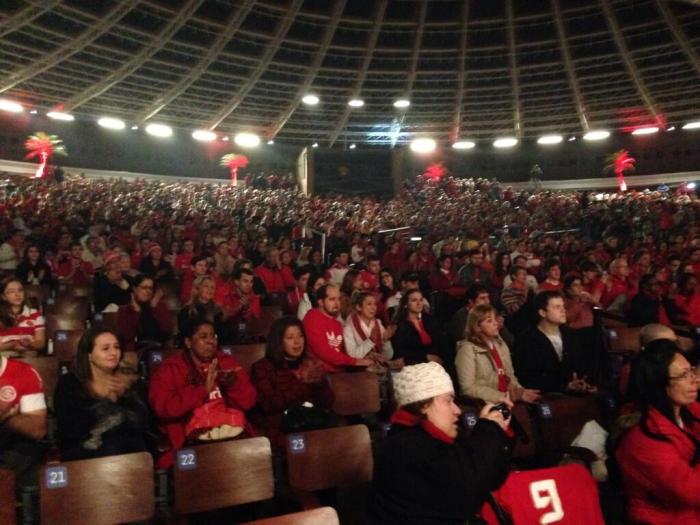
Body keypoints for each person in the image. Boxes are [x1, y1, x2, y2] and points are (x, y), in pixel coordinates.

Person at [365, 362, 512, 525]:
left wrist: (498, 431)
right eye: (448, 401)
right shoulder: (403, 447)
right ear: (423, 405)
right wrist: (489, 429)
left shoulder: (442, 439)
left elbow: (490, 479)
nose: (458, 410)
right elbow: (467, 492)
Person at [149, 320, 258, 468]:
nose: (210, 341)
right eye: (203, 336)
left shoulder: (227, 363)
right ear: (188, 342)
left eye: (213, 336)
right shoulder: (171, 369)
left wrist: (232, 385)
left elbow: (249, 402)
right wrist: (201, 390)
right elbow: (163, 408)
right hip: (192, 443)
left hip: (232, 435)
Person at [614, 340, 700, 523]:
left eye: (692, 370)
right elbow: (694, 492)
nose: (696, 379)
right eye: (684, 375)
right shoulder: (643, 440)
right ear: (659, 384)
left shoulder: (690, 411)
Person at [54, 327, 151, 460]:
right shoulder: (70, 384)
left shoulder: (130, 380)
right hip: (87, 457)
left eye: (116, 347)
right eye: (105, 349)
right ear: (89, 355)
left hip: (130, 455)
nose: (113, 353)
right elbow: (70, 431)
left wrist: (127, 396)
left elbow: (143, 424)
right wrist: (102, 399)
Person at [249, 317, 334, 449]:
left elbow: (328, 403)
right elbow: (268, 405)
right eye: (290, 337)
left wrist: (319, 383)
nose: (297, 342)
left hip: (313, 422)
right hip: (282, 427)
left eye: (300, 336)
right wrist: (301, 383)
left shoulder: (311, 363)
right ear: (278, 341)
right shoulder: (262, 367)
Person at [456, 305, 541, 405]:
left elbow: (510, 376)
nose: (496, 323)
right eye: (489, 321)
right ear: (477, 326)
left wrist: (521, 392)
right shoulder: (467, 350)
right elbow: (468, 388)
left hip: (508, 401)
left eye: (495, 319)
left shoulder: (501, 344)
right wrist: (503, 396)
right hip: (486, 404)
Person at [513, 291, 596, 394]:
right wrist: (564, 386)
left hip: (574, 395)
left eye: (563, 306)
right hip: (546, 397)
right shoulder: (526, 340)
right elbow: (528, 378)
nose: (563, 310)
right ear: (542, 313)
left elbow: (580, 366)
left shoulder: (571, 335)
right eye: (557, 307)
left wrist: (582, 382)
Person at [0, 353, 47, 490]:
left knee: (26, 452)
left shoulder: (23, 372)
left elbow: (38, 429)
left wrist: (6, 418)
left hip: (10, 450)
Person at [302, 284, 373, 372]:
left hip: (339, 372)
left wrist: (366, 356)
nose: (337, 303)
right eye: (332, 299)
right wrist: (356, 361)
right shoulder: (312, 318)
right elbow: (325, 352)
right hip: (321, 375)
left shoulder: (337, 323)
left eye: (338, 299)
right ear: (321, 302)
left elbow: (343, 352)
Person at [116, 275, 173, 351]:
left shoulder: (159, 307)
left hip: (160, 349)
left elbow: (168, 330)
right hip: (135, 352)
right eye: (144, 287)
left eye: (150, 288)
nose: (148, 291)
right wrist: (136, 311)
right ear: (134, 289)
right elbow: (126, 336)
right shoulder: (124, 310)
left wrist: (154, 307)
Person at [390, 289, 442, 365]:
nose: (419, 303)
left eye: (421, 300)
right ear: (406, 304)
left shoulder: (430, 319)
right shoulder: (399, 324)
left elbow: (439, 341)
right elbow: (400, 350)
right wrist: (425, 356)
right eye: (414, 300)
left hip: (434, 361)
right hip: (412, 363)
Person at [343, 291, 395, 362]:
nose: (374, 308)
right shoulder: (349, 328)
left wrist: (386, 341)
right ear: (358, 307)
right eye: (369, 304)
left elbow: (388, 356)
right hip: (359, 371)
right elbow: (353, 356)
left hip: (378, 368)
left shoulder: (378, 323)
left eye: (375, 304)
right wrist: (370, 341)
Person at [0, 277, 46, 354]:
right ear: (3, 297)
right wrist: (12, 345)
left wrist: (29, 344)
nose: (17, 294)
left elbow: (41, 343)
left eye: (20, 290)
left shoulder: (35, 314)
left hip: (29, 356)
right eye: (11, 291)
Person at [177, 275, 228, 345]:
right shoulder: (186, 311)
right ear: (197, 289)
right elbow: (184, 333)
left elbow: (223, 335)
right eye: (206, 286)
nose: (210, 290)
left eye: (212, 287)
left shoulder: (218, 311)